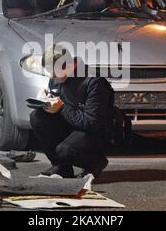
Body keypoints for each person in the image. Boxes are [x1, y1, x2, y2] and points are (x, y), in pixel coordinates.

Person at [29, 45, 114, 179]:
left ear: (70, 66)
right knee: (37, 117)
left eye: (55, 73)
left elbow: (91, 123)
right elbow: (57, 101)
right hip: (70, 123)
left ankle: (96, 162)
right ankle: (61, 168)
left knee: (65, 150)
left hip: (93, 132)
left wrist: (61, 107)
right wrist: (46, 100)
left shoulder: (94, 82)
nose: (52, 76)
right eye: (50, 72)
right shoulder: (56, 78)